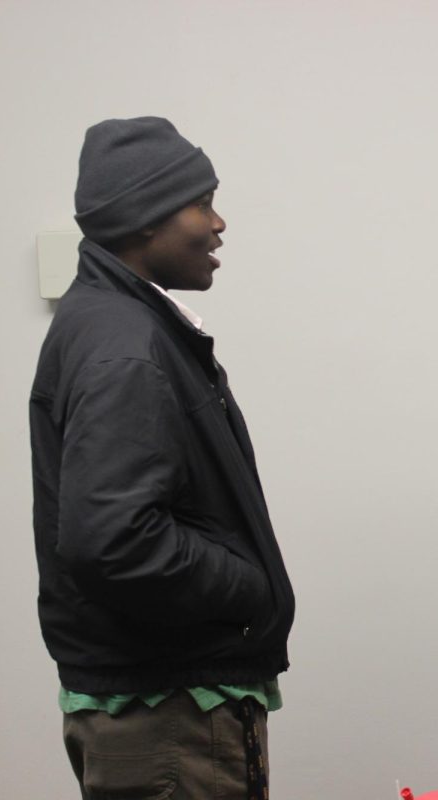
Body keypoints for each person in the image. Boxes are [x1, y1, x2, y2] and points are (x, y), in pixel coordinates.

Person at [29, 116, 295, 798]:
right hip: (170, 719)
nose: (219, 223)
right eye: (201, 202)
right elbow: (112, 538)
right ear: (145, 218)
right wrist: (247, 588)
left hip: (169, 710)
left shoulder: (121, 325)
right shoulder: (124, 347)